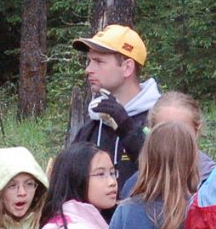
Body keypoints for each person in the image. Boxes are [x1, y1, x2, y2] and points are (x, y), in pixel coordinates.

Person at [69, 24, 163, 191]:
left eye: (98, 61)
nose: (88, 70)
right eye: (89, 61)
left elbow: (166, 174)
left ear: (127, 67)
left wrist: (127, 128)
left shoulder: (160, 119)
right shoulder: (93, 124)